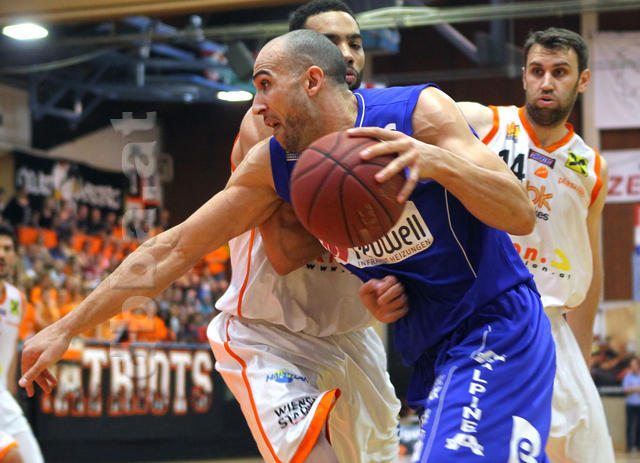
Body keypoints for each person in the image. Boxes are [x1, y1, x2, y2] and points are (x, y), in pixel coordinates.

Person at [20, 30, 553, 462]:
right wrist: (67, 326)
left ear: (312, 81)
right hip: (429, 347)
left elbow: (520, 214)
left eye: (264, 86)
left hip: (493, 323)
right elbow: (173, 249)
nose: (258, 107)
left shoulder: (417, 113)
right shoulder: (274, 164)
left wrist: (439, 163)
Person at [208, 2, 403, 461]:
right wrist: (371, 215)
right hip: (271, 333)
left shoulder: (380, 121)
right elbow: (285, 252)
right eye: (330, 43)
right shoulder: (265, 126)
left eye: (354, 43)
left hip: (354, 333)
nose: (346, 54)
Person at [456, 27, 614, 463]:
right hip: (483, 321)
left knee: (587, 453)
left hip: (551, 326)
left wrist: (581, 356)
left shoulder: (592, 168)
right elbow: (412, 111)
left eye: (559, 72)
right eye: (537, 71)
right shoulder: (483, 124)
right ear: (524, 76)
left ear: (582, 80)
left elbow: (589, 269)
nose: (547, 82)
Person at [0, 224, 44, 463]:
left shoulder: (17, 298)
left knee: (34, 459)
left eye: (7, 248)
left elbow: (9, 352)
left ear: (16, 255)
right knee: (12, 456)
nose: (2, 254)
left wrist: (11, 391)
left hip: (3, 399)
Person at [623, 356, 640, 452]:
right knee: (630, 425)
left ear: (638, 365)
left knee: (639, 426)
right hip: (630, 404)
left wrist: (632, 389)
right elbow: (625, 390)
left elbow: (629, 389)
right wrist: (636, 389)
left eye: (634, 365)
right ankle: (629, 446)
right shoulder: (627, 376)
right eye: (631, 365)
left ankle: (638, 445)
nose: (633, 367)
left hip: (639, 404)